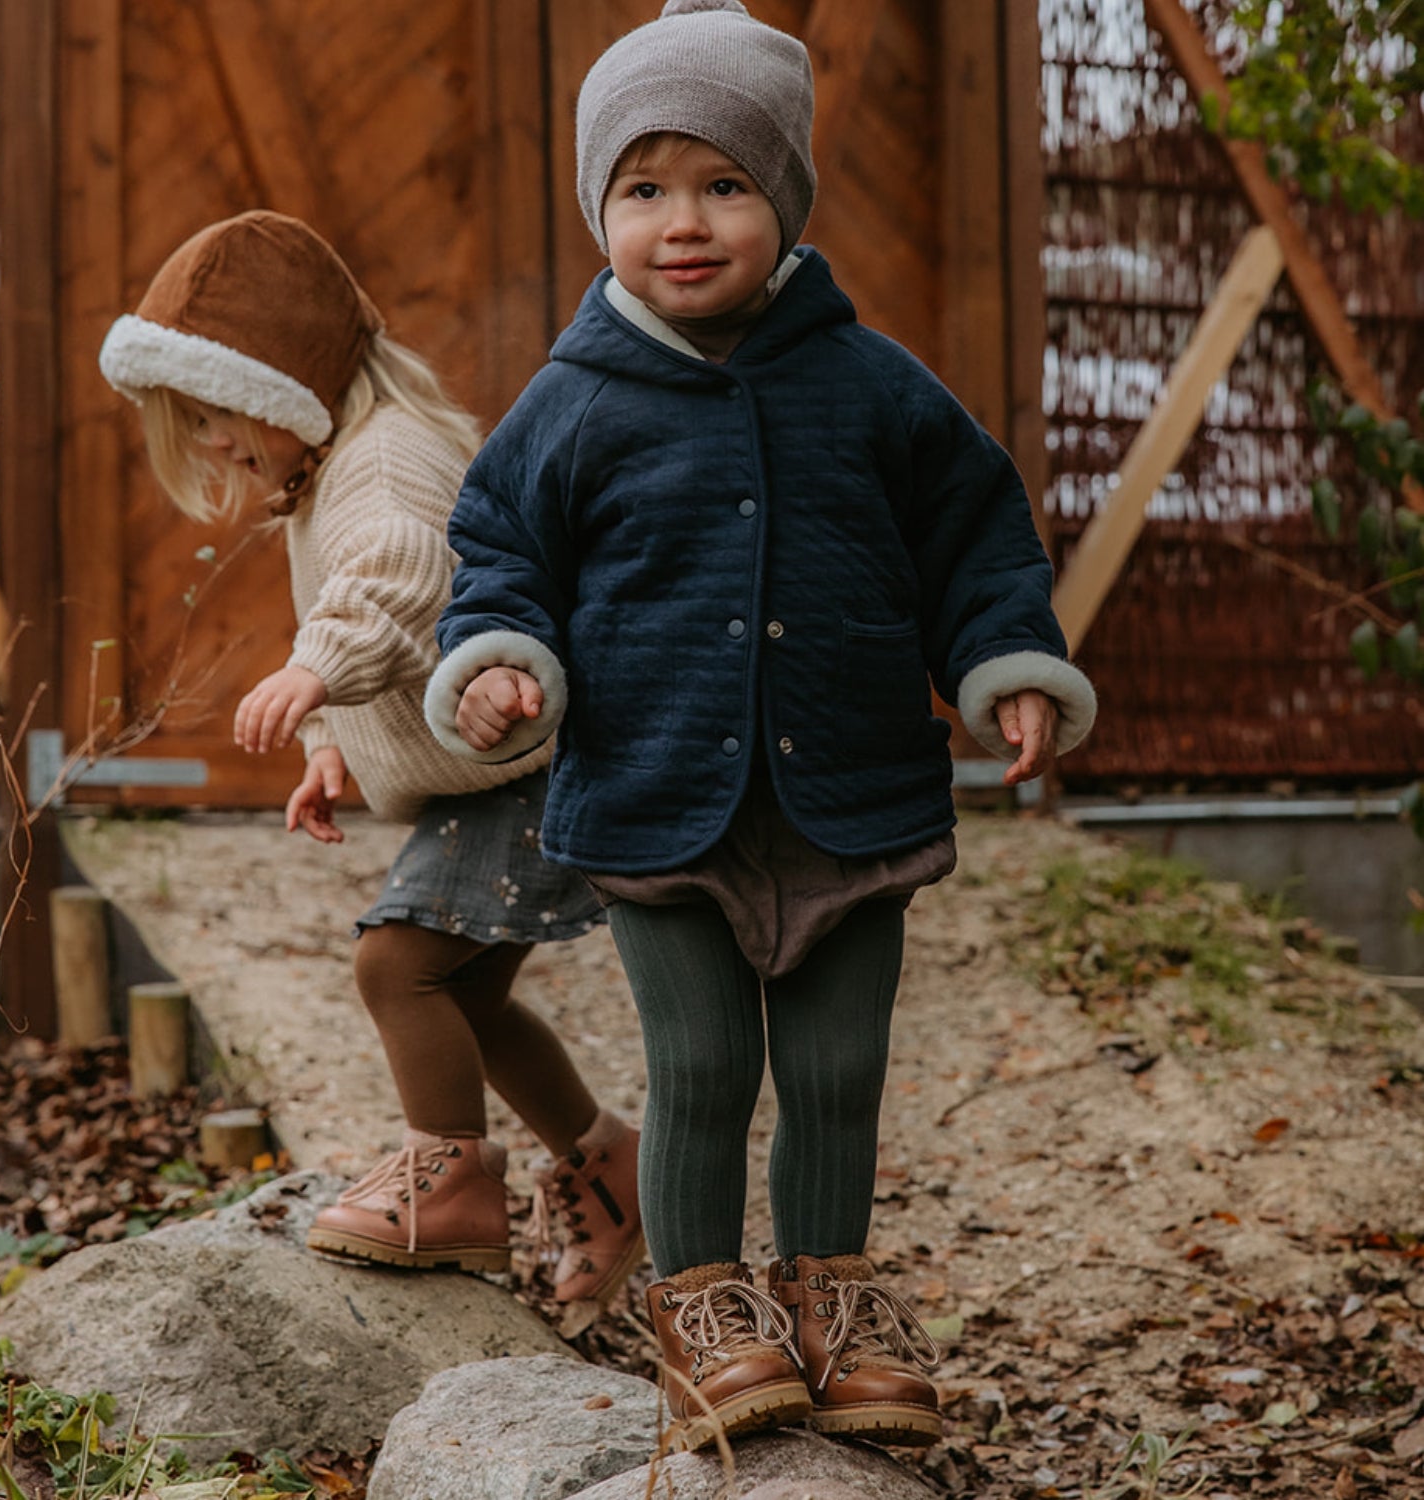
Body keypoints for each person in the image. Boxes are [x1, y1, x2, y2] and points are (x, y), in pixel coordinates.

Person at [424, 0, 1096, 1453]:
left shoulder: (873, 384)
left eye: (725, 183)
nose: (683, 223)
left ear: (785, 198)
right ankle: (706, 1314)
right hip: (659, 796)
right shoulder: (573, 401)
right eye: (643, 188)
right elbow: (499, 555)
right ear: (600, 208)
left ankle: (833, 1303)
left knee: (840, 1070)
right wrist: (493, 660)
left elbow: (976, 538)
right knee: (707, 1069)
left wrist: (1007, 663)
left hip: (855, 792)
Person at [98, 210, 643, 1310]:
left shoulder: (384, 461)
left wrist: (315, 673)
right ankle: (607, 1170)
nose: (215, 446)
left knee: (396, 967)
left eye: (216, 416)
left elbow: (398, 580)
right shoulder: (333, 468)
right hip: (493, 767)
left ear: (286, 385)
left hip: (525, 761)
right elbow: (362, 623)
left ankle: (453, 1180)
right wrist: (329, 744)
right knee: (465, 996)